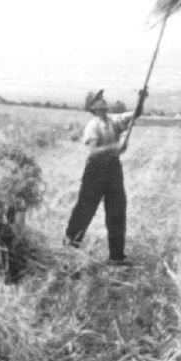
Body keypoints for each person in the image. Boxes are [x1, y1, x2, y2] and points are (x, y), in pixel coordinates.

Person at [64, 88, 145, 264]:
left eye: (103, 98)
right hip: (95, 171)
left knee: (117, 210)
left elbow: (136, 114)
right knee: (85, 210)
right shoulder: (92, 127)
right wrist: (115, 148)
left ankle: (116, 257)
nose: (104, 101)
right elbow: (93, 153)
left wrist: (141, 98)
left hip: (113, 169)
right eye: (100, 99)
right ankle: (70, 247)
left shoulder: (113, 120)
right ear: (93, 106)